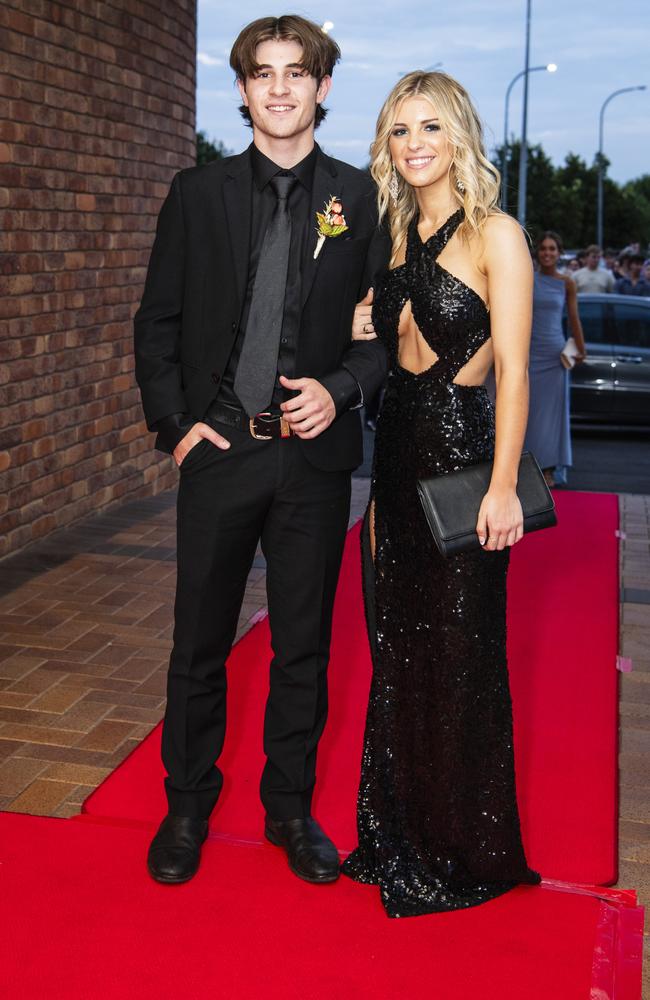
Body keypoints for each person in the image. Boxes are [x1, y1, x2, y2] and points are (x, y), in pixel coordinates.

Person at [134, 14, 389, 886]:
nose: (280, 87)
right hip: (219, 451)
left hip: (313, 463)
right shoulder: (195, 194)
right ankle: (187, 805)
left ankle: (288, 811)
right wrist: (175, 427)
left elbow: (384, 334)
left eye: (297, 72)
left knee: (303, 649)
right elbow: (157, 320)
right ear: (242, 90)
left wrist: (343, 387)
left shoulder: (360, 199)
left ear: (321, 88)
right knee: (198, 645)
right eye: (263, 73)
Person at [341, 70, 541, 917]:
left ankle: (462, 849)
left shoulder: (498, 233)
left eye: (430, 126)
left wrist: (504, 489)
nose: (415, 143)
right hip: (393, 460)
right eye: (399, 131)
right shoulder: (396, 236)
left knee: (459, 658)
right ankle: (398, 833)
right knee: (398, 653)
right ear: (387, 146)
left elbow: (519, 371)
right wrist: (362, 317)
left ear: (458, 134)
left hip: (462, 459)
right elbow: (387, 330)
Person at [524, 232, 586, 487]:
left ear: (559, 253)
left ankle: (549, 469)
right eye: (543, 248)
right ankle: (527, 465)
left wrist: (581, 348)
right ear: (537, 252)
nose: (547, 253)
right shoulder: (527, 279)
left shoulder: (567, 282)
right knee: (527, 412)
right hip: (529, 353)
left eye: (552, 249)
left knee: (553, 418)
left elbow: (574, 318)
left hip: (555, 355)